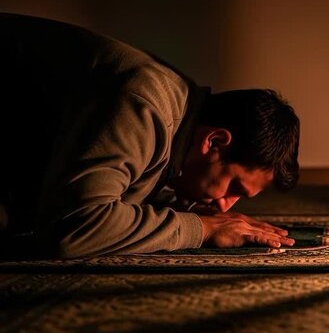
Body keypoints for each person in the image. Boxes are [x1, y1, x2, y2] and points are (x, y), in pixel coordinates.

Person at [0, 13, 299, 259]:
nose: (224, 206)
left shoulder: (180, 107)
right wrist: (202, 228)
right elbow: (75, 227)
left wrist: (183, 208)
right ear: (215, 142)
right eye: (234, 187)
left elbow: (136, 181)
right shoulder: (143, 103)